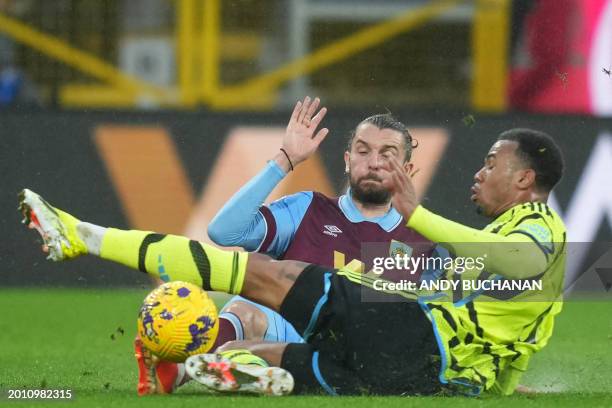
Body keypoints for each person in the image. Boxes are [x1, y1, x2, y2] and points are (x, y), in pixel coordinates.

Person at [19, 127, 566, 396]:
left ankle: (83, 236)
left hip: (413, 342)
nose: (478, 171)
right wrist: (496, 387)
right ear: (347, 157)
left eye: (491, 163)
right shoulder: (317, 209)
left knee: (261, 274)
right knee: (263, 353)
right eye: (364, 150)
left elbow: (513, 261)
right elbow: (501, 308)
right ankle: (227, 372)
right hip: (430, 377)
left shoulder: (538, 231)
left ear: (523, 179)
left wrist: (417, 216)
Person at [134, 97, 436, 394]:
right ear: (347, 161)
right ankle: (182, 371)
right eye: (363, 151)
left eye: (388, 154)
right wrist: (284, 160)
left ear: (407, 170)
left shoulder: (421, 240)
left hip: (360, 356)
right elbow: (224, 232)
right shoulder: (308, 209)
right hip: (292, 338)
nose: (374, 162)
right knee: (246, 309)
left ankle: (242, 364)